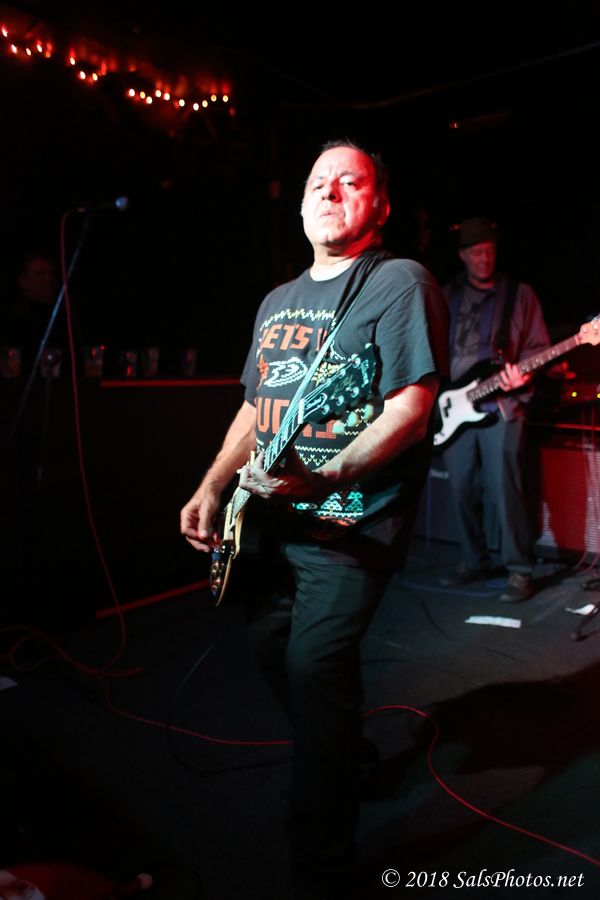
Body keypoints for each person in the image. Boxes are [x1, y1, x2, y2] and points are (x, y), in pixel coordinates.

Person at [180, 138, 448, 899]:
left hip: (349, 525)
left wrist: (324, 476)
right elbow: (253, 409)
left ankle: (320, 863)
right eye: (317, 183)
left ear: (380, 205)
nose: (329, 192)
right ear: (300, 205)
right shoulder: (277, 301)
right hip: (267, 524)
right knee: (274, 651)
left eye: (349, 182)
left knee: (314, 666)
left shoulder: (400, 282)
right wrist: (212, 484)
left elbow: (411, 408)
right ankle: (346, 752)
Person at [439, 215, 551, 602]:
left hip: (501, 405)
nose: (484, 259)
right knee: (460, 489)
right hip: (453, 407)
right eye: (476, 253)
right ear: (462, 255)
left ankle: (519, 570)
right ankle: (474, 560)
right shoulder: (447, 295)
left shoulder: (519, 295)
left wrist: (523, 377)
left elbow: (538, 347)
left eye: (489, 251)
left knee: (506, 490)